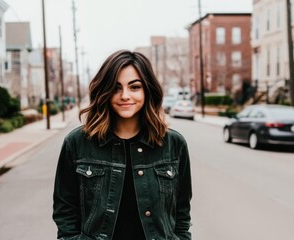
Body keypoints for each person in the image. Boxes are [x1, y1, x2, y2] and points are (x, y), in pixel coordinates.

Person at [53, 50, 192, 240]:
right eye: (116, 88)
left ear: (147, 90)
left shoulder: (173, 145)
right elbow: (65, 212)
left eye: (134, 87)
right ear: (104, 92)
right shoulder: (77, 143)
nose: (125, 95)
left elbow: (182, 213)